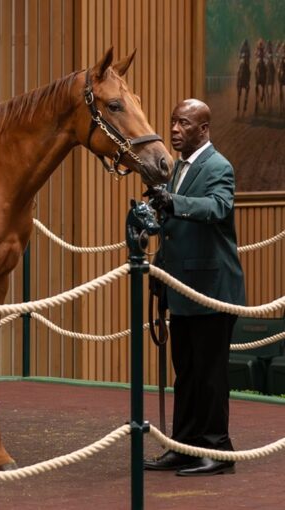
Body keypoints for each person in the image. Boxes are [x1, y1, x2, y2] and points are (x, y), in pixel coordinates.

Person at [143, 99, 245, 476]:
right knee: (185, 371)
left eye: (183, 123)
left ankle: (218, 450)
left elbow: (218, 207)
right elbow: (175, 232)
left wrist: (174, 201)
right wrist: (159, 271)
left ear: (203, 129)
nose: (174, 129)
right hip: (182, 287)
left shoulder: (219, 166)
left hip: (212, 289)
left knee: (210, 374)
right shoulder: (177, 170)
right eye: (172, 121)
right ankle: (185, 447)